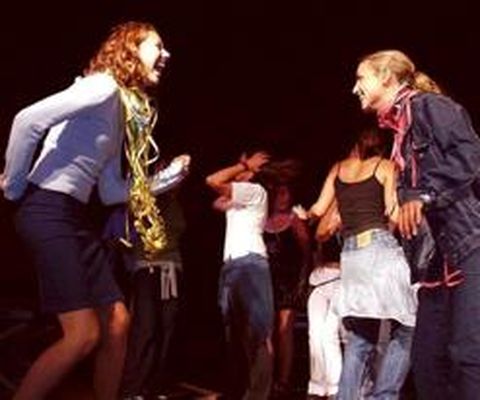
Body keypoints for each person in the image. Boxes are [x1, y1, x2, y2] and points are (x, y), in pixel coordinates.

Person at [0, 21, 189, 400]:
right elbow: (27, 121)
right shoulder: (102, 86)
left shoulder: (118, 109)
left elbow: (110, 191)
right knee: (83, 334)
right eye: (157, 45)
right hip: (46, 208)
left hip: (75, 216)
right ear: (130, 48)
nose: (166, 54)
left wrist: (166, 179)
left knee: (118, 323)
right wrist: (14, 185)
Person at [352, 49, 480, 399]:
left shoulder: (428, 107)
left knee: (468, 356)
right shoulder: (401, 131)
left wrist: (422, 196)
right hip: (437, 260)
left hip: (469, 246)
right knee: (427, 362)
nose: (354, 88)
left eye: (361, 78)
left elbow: (469, 155)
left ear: (386, 78)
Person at [307, 127, 417, 400]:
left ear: (356, 144)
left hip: (351, 256)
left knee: (361, 337)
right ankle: (384, 396)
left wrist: (304, 214)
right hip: (379, 249)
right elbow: (393, 212)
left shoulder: (338, 169)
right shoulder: (384, 166)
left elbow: (317, 210)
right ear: (382, 147)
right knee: (408, 325)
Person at [206, 151, 273, 400]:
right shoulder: (240, 196)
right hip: (233, 266)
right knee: (236, 336)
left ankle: (257, 396)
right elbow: (217, 202)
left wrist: (243, 165)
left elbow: (212, 180)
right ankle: (240, 391)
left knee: (257, 335)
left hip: (249, 265)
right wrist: (243, 168)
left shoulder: (255, 191)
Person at [120, 188, 187, 400]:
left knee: (167, 329)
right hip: (146, 269)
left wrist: (171, 195)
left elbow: (177, 228)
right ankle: (133, 389)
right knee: (145, 328)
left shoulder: (174, 203)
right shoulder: (139, 198)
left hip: (171, 269)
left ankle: (156, 387)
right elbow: (140, 231)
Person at [263, 178, 312, 398]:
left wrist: (302, 280)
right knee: (267, 331)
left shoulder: (294, 220)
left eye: (287, 193)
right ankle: (267, 378)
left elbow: (306, 252)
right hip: (267, 279)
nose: (284, 197)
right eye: (280, 193)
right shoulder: (262, 219)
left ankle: (283, 381)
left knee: (284, 331)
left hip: (288, 281)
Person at [306, 236, 342, 400]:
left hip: (342, 279)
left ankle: (335, 386)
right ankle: (317, 385)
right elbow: (313, 247)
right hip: (319, 281)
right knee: (315, 335)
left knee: (330, 334)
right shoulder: (321, 224)